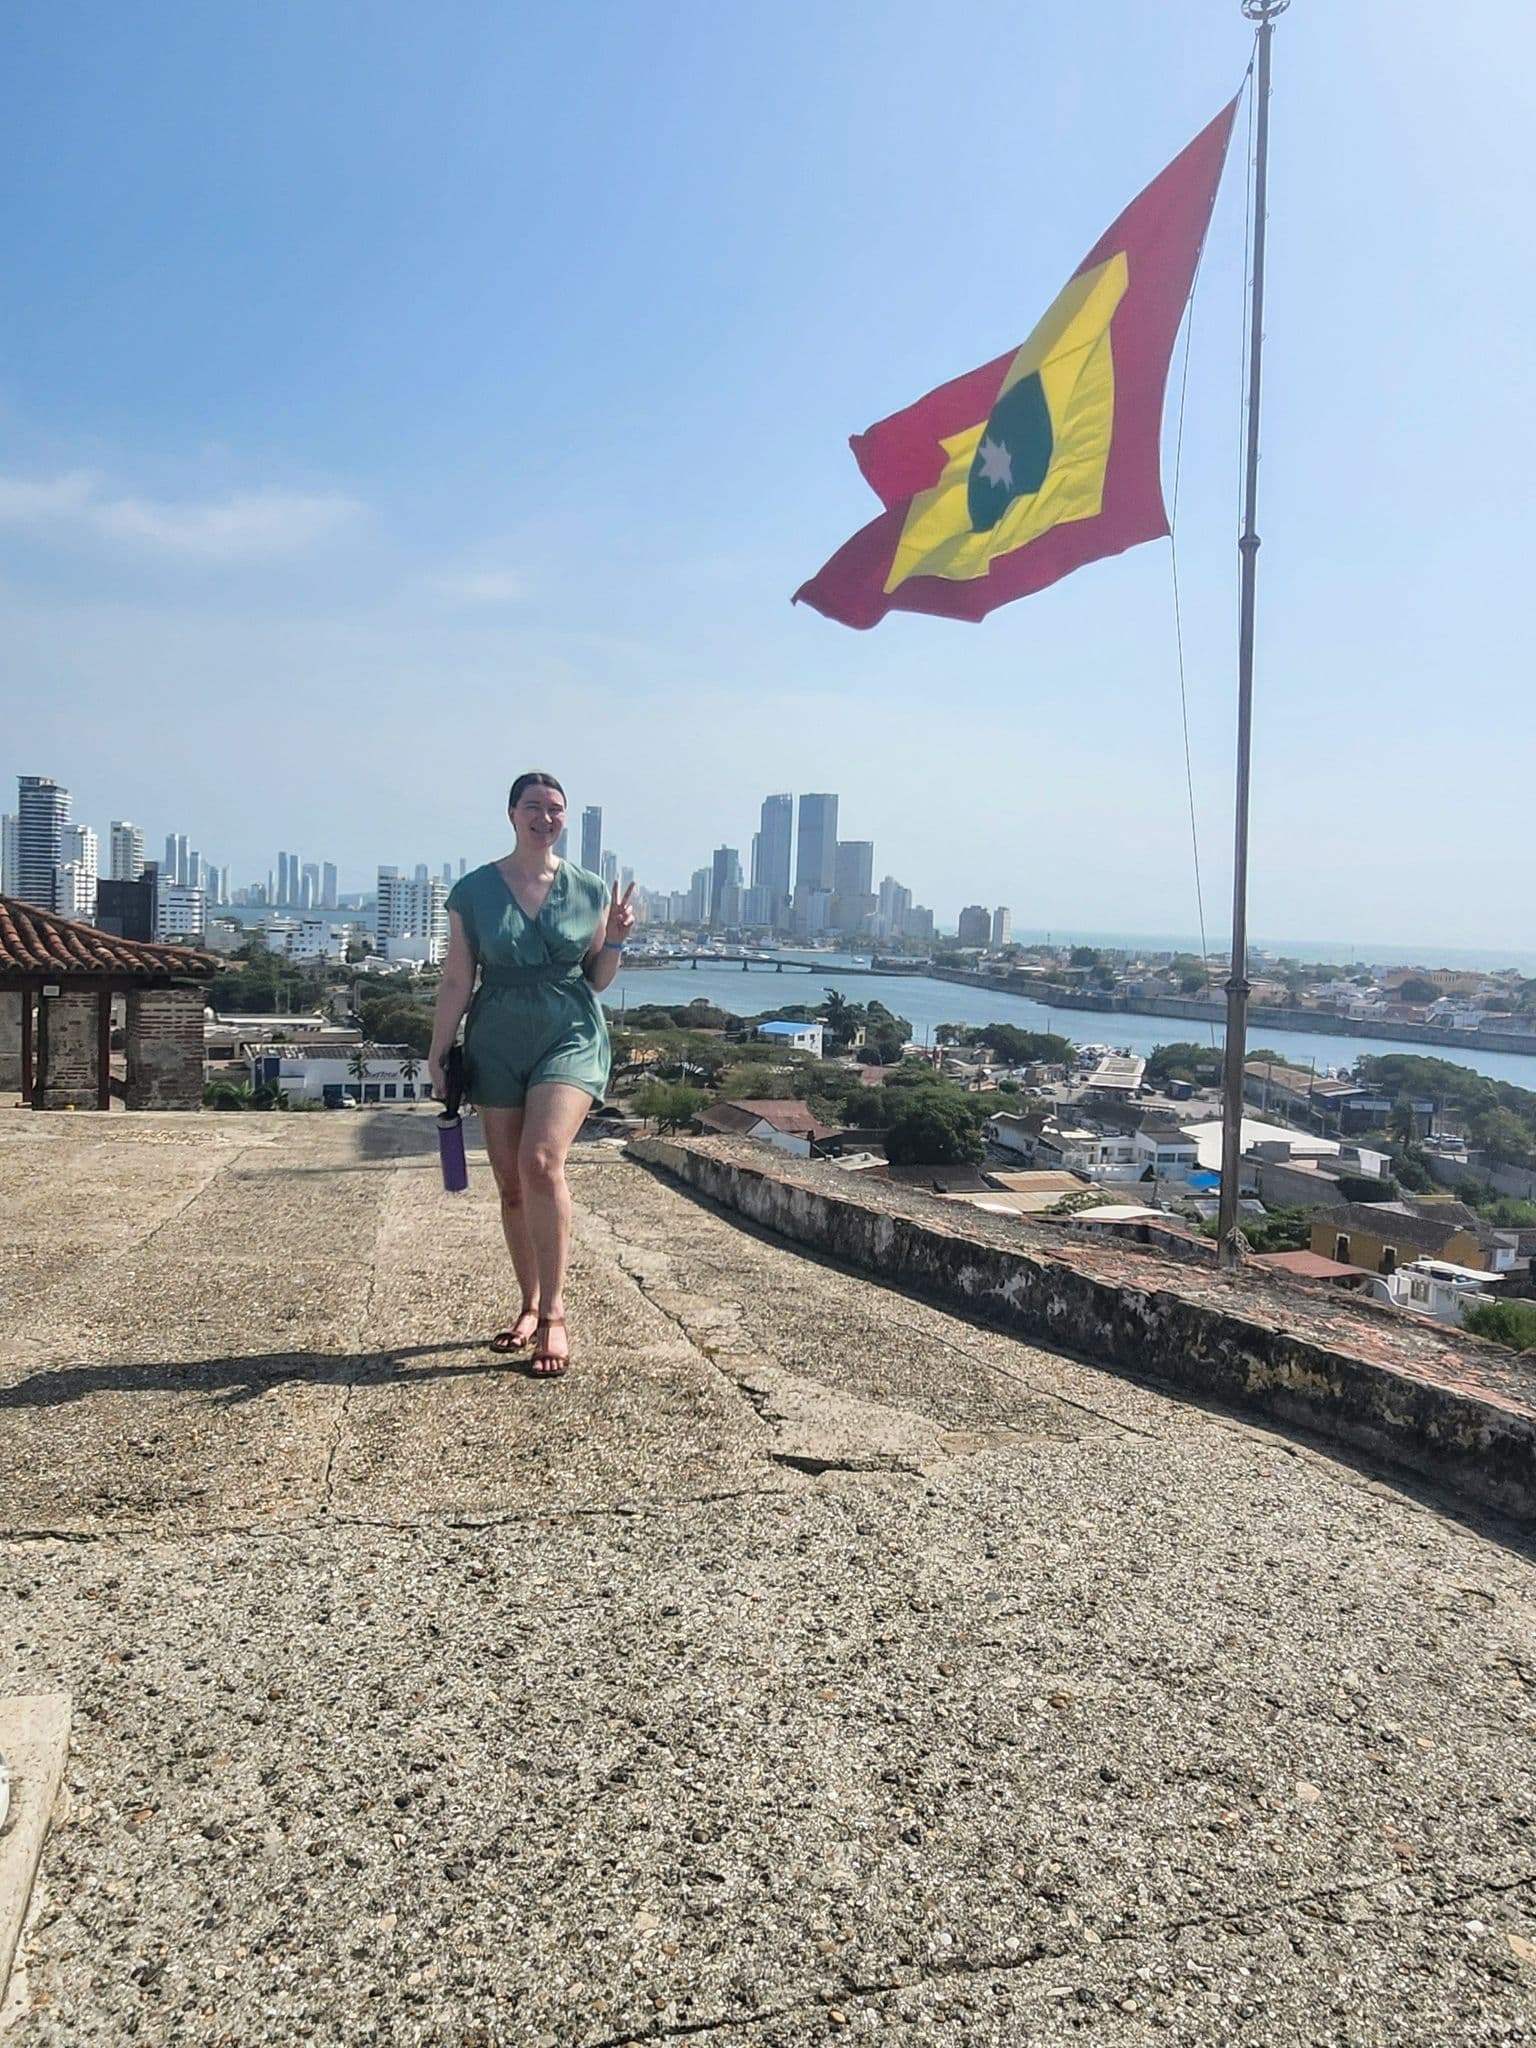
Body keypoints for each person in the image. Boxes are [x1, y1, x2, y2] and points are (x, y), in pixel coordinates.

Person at [429, 773, 634, 1377]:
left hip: (569, 1031)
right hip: (497, 1037)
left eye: (555, 809)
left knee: (541, 1161)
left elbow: (595, 978)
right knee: (511, 1183)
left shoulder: (591, 889)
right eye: (534, 807)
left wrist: (616, 941)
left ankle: (555, 1314)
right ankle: (528, 1302)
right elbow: (457, 980)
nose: (545, 818)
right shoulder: (472, 892)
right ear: (512, 814)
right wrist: (439, 1052)